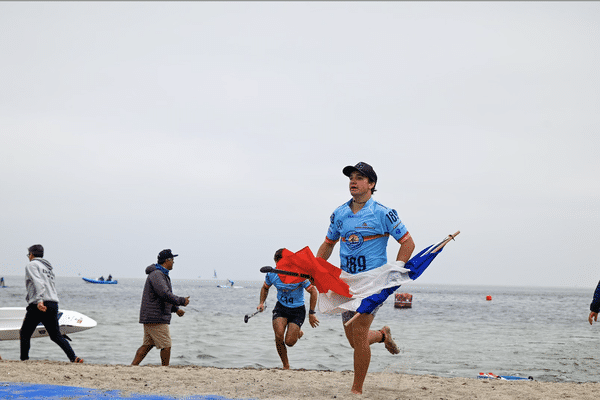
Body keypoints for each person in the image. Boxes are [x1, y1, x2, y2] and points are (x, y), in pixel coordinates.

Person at [316, 162, 416, 395]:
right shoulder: (339, 213)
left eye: (360, 178)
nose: (353, 181)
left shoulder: (383, 213)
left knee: (359, 333)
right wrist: (316, 268)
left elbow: (408, 243)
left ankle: (356, 391)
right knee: (354, 340)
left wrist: (395, 271)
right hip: (346, 282)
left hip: (373, 281)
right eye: (351, 177)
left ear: (371, 184)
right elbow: (328, 244)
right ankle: (382, 335)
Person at [257, 248, 320, 370]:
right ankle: (286, 365)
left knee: (289, 342)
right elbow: (265, 288)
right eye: (278, 264)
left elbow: (313, 292)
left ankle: (297, 331)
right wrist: (261, 303)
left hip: (297, 310)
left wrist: (312, 313)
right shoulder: (272, 274)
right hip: (281, 308)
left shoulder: (299, 274)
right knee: (279, 336)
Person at [20, 244, 83, 363]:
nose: (28, 256)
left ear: (32, 254)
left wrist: (39, 301)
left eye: (29, 254)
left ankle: (24, 360)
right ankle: (73, 358)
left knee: (25, 333)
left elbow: (38, 283)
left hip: (39, 304)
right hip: (53, 303)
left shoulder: (32, 265)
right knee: (55, 335)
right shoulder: (48, 268)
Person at [131, 249, 190, 366]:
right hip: (156, 317)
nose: (173, 262)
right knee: (166, 345)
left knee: (148, 345)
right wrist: (182, 301)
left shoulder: (160, 274)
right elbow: (164, 294)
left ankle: (133, 367)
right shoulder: (157, 274)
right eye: (172, 260)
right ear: (167, 261)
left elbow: (163, 296)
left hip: (151, 316)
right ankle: (165, 370)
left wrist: (176, 309)